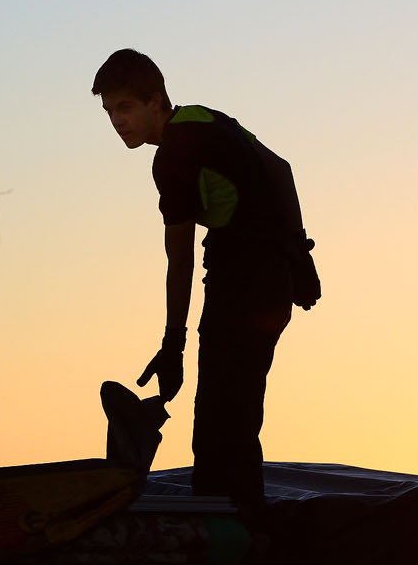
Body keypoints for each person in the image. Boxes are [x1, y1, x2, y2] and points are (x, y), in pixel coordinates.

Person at [91, 49, 318, 519]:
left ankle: (235, 538)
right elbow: (280, 169)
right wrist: (296, 258)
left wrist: (173, 342)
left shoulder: (175, 155)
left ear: (156, 101)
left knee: (221, 424)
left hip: (246, 285)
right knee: (231, 415)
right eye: (110, 111)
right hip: (264, 283)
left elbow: (180, 257)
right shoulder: (206, 120)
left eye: (126, 108)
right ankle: (243, 531)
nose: (117, 121)